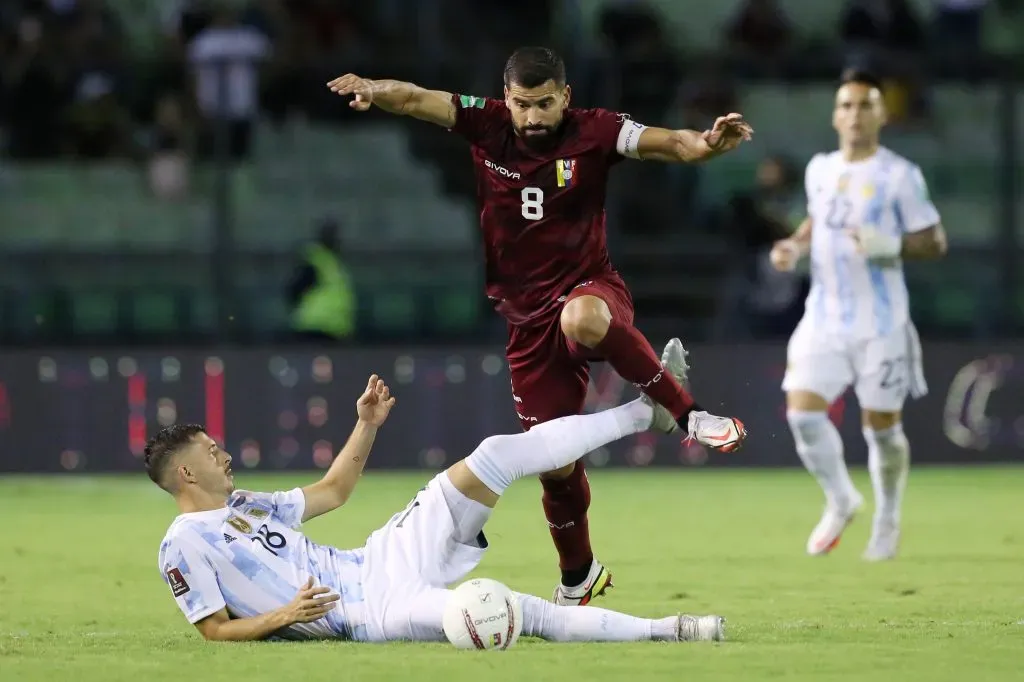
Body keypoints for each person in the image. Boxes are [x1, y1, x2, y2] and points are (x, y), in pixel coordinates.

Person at [325, 47, 751, 604]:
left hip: (590, 290)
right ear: (506, 97)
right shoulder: (486, 122)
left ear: (564, 97)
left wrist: (706, 145)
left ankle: (687, 414)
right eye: (522, 104)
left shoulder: (595, 131)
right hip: (525, 325)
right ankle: (578, 578)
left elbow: (673, 142)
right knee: (555, 462)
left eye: (544, 104)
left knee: (584, 317)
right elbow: (414, 98)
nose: (531, 117)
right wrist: (374, 88)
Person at [150, 345, 726, 644]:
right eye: (210, 450)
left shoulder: (243, 504)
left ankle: (642, 413)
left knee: (493, 456)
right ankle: (671, 629)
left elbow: (333, 491)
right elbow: (214, 630)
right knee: (510, 611)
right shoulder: (183, 542)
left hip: (376, 559)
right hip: (367, 611)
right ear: (186, 475)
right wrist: (286, 615)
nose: (223, 454)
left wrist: (367, 424)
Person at [768, 70, 947, 561]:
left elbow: (935, 241)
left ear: (882, 115)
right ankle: (841, 498)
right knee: (803, 414)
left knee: (881, 428)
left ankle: (887, 519)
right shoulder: (820, 169)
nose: (855, 114)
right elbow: (816, 218)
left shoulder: (900, 175)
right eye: (846, 106)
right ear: (834, 116)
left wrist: (889, 245)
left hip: (881, 323)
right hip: (824, 316)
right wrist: (794, 245)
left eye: (866, 105)